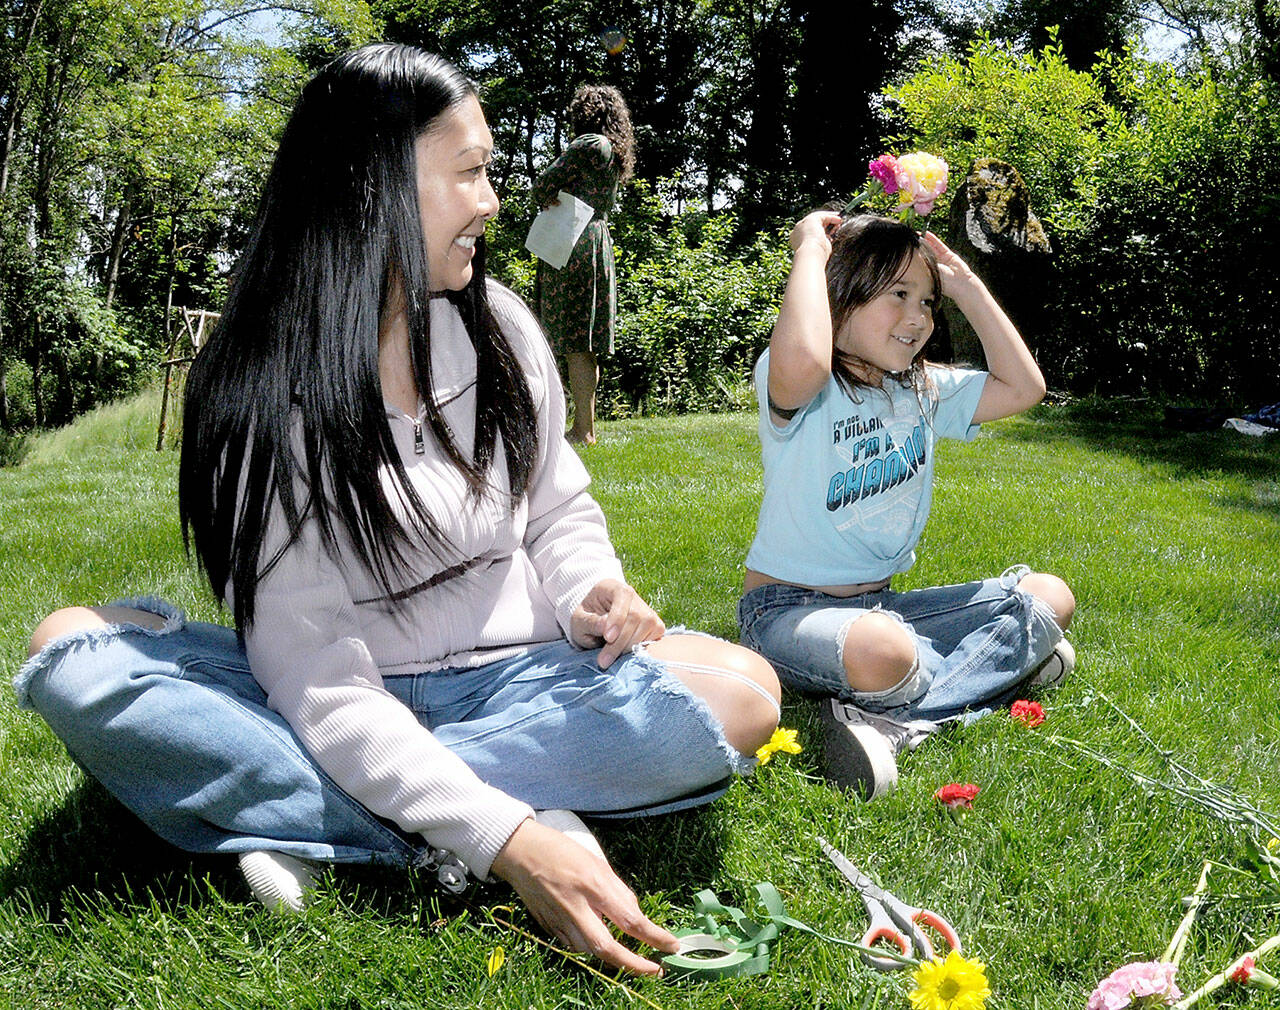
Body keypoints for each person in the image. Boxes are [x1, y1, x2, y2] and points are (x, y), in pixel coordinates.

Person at [15, 44, 781, 977]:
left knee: (743, 695)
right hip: (336, 692)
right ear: (371, 188)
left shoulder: (501, 326)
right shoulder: (265, 388)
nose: (496, 201)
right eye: (470, 173)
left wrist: (592, 587)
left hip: (518, 680)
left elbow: (556, 511)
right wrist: (510, 838)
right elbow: (318, 678)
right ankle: (448, 816)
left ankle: (334, 815)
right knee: (74, 656)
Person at [737, 210, 1076, 800]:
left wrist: (965, 285)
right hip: (785, 614)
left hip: (884, 606)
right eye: (899, 294)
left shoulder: (921, 389)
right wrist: (810, 254)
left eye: (927, 301)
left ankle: (899, 719)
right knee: (886, 652)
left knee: (1049, 597)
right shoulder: (801, 385)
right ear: (840, 294)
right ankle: (995, 672)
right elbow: (809, 360)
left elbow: (1025, 387)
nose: (917, 317)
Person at [532, 84, 634, 444]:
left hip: (572, 240)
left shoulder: (587, 144)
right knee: (586, 339)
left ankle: (582, 429)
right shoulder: (611, 149)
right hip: (596, 237)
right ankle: (584, 425)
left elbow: (542, 185)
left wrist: (548, 196)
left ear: (585, 113)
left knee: (575, 338)